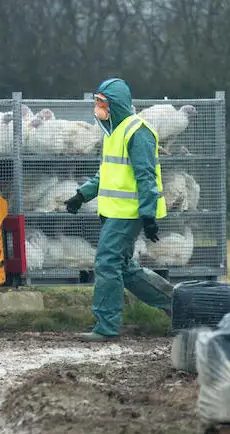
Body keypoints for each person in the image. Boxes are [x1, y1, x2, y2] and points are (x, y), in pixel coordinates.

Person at [63, 77, 174, 342]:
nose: (97, 108)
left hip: (130, 213)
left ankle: (106, 326)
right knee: (124, 267)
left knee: (107, 261)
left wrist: (148, 215)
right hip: (117, 211)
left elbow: (146, 176)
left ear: (116, 105)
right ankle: (176, 304)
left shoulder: (138, 132)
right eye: (96, 102)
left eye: (102, 103)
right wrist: (82, 195)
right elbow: (108, 173)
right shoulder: (115, 131)